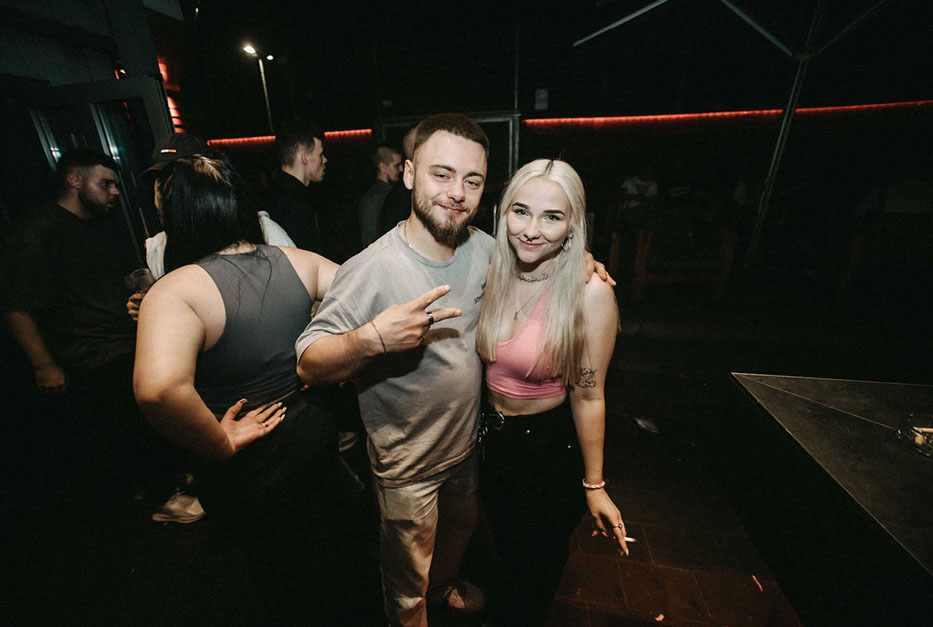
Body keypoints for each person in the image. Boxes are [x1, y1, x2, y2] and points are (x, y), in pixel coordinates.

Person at [296, 114, 612, 626]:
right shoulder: (371, 267)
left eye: (472, 180)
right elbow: (309, 362)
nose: (457, 193)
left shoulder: (486, 250)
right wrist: (373, 338)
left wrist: (583, 261)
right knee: (407, 584)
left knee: (460, 533)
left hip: (468, 449)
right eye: (441, 174)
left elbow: (541, 255)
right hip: (408, 465)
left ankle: (443, 588)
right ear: (408, 174)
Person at [132, 155, 346, 623]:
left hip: (251, 461)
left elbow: (159, 390)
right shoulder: (299, 261)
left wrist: (219, 441)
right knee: (328, 557)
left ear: (179, 215)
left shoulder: (175, 290)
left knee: (272, 575)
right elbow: (370, 298)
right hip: (312, 433)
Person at [476, 159, 627, 625]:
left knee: (532, 576)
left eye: (552, 217)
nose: (531, 230)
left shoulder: (589, 292)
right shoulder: (490, 267)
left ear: (573, 225)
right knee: (499, 553)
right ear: (503, 211)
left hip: (546, 451)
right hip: (488, 441)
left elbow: (590, 395)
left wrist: (594, 485)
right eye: (521, 211)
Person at [0, 148, 176, 503]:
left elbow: (117, 280)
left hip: (122, 342)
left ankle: (159, 485)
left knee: (141, 422)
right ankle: (163, 498)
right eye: (105, 183)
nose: (115, 192)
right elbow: (17, 305)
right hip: (86, 353)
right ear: (74, 180)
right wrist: (44, 365)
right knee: (123, 429)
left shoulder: (100, 226)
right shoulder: (37, 231)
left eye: (116, 185)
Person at [140, 133, 296, 280]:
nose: (169, 193)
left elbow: (297, 283)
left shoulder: (262, 230)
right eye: (160, 181)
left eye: (181, 182)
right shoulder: (157, 249)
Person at [266, 120, 328, 253]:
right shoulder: (296, 203)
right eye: (320, 154)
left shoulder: (273, 194)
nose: (324, 160)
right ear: (305, 158)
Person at [359, 145, 404, 248]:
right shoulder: (374, 199)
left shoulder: (393, 193)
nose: (401, 169)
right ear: (383, 167)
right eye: (397, 166)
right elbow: (369, 239)